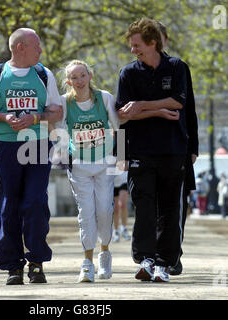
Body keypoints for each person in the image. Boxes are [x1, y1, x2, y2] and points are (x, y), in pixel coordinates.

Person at [0, 28, 62, 285]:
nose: (41, 51)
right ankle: (13, 266)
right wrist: (3, 117)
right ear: (20, 47)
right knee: (7, 205)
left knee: (34, 202)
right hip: (4, 145)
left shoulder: (44, 74)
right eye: (37, 46)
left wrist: (35, 118)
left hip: (36, 144)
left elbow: (56, 112)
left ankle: (36, 262)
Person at [116, 18, 188, 282]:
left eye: (137, 45)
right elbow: (122, 115)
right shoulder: (128, 74)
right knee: (143, 207)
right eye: (132, 46)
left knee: (170, 208)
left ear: (153, 43)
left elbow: (179, 103)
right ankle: (145, 259)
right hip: (139, 152)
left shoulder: (178, 67)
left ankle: (165, 263)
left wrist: (141, 105)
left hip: (172, 150)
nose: (133, 50)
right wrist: (121, 153)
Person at [58, 59, 119, 283]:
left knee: (104, 210)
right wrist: (65, 157)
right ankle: (87, 264)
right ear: (68, 82)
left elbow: (118, 127)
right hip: (80, 167)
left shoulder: (104, 98)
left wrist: (121, 161)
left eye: (82, 75)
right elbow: (60, 131)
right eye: (74, 77)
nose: (79, 81)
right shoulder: (65, 102)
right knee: (86, 214)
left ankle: (105, 252)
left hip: (104, 164)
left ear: (89, 76)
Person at [157, 21, 199, 276]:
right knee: (150, 207)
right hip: (146, 151)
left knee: (176, 205)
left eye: (158, 38)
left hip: (177, 148)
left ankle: (173, 255)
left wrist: (193, 146)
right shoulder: (133, 72)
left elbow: (189, 109)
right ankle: (154, 256)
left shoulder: (178, 68)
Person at [112, 170, 131, 242]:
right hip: (112, 180)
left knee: (122, 204)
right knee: (115, 209)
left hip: (124, 179)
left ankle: (124, 228)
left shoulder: (121, 158)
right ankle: (116, 231)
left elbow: (123, 162)